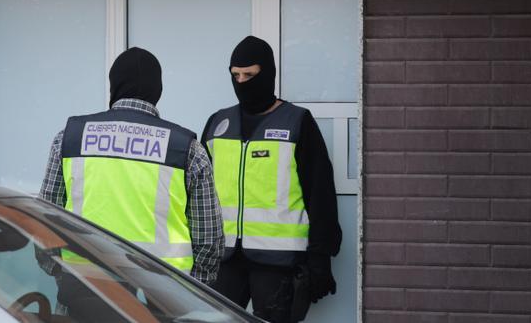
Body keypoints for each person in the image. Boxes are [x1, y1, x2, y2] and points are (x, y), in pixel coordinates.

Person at [40, 47, 224, 285]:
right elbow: (208, 237)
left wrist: (57, 268)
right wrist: (194, 289)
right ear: (157, 90)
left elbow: (45, 216)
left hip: (85, 284)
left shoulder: (69, 138)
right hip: (164, 294)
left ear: (113, 86)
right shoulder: (186, 149)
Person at [201, 36, 342, 323]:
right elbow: (198, 193)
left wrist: (320, 257)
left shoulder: (297, 122)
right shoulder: (218, 124)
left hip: (279, 262)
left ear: (267, 73)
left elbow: (321, 194)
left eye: (250, 75)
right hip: (224, 259)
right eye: (235, 75)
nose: (242, 82)